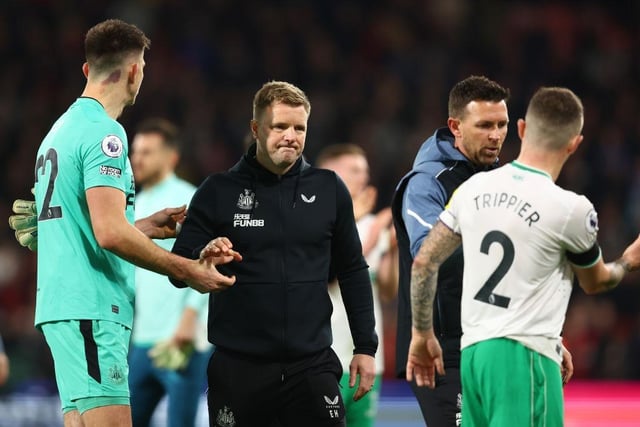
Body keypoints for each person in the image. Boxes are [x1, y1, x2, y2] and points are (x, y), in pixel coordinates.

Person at [18, 19, 235, 427]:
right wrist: (186, 269)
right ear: (135, 71)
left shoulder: (59, 130)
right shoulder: (106, 135)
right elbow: (109, 233)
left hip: (64, 304)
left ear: (88, 70)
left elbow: (93, 225)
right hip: (92, 307)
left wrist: (149, 224)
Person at [406, 86, 640, 426]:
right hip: (525, 357)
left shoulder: (471, 190)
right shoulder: (572, 209)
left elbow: (425, 261)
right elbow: (597, 281)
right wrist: (628, 262)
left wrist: (422, 333)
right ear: (575, 144)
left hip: (472, 357)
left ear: (520, 129)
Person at [170, 80, 378, 427]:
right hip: (239, 370)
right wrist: (200, 257)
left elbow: (353, 270)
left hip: (312, 367)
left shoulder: (329, 189)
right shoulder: (218, 191)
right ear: (256, 129)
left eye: (299, 128)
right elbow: (177, 269)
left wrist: (365, 347)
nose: (291, 136)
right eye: (280, 126)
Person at [391, 75, 511, 426]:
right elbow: (429, 255)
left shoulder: (500, 180)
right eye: (485, 125)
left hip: (497, 343)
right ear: (455, 126)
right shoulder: (428, 183)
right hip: (443, 354)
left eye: (502, 124)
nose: (496, 135)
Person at [127, 118, 212, 427]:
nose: (137, 158)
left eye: (147, 151)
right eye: (135, 151)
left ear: (171, 157)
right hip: (141, 340)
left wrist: (190, 318)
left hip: (181, 338)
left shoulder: (189, 199)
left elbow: (208, 261)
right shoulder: (130, 205)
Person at [316, 143, 398, 427]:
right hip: (329, 354)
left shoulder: (374, 223)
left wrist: (394, 251)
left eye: (365, 171)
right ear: (330, 173)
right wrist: (368, 228)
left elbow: (387, 290)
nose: (362, 178)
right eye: (353, 170)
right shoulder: (315, 223)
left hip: (367, 357)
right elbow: (330, 274)